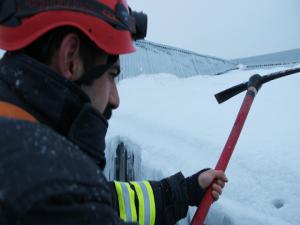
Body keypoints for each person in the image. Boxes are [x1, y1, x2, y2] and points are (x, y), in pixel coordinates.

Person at [0, 1, 228, 225]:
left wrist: (185, 190)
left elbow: (108, 200)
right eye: (111, 74)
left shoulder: (28, 152)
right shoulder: (50, 193)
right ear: (71, 59)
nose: (115, 99)